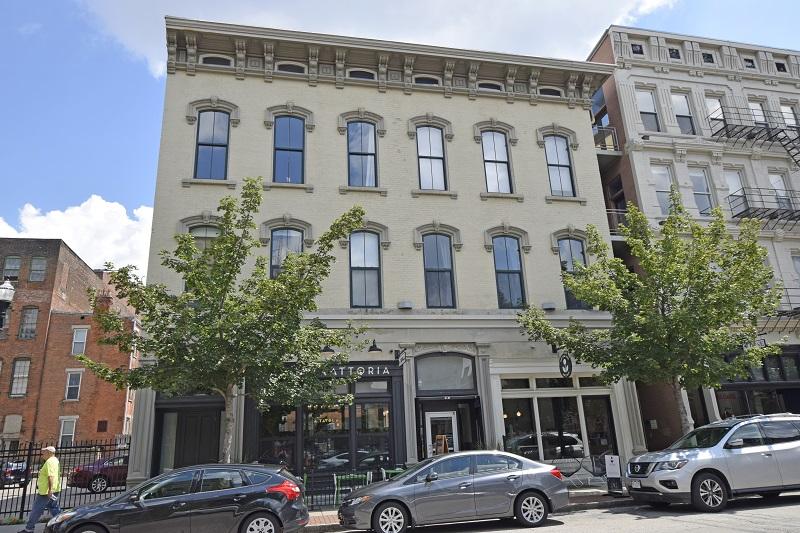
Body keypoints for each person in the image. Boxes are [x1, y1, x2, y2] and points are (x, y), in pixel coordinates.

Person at [19, 446, 61, 533]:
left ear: (49, 453)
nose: (42, 455)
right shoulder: (55, 460)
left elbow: (51, 476)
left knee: (36, 510)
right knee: (53, 507)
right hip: (53, 490)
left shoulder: (50, 462)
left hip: (45, 492)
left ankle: (29, 529)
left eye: (44, 453)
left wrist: (50, 490)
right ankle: (63, 524)